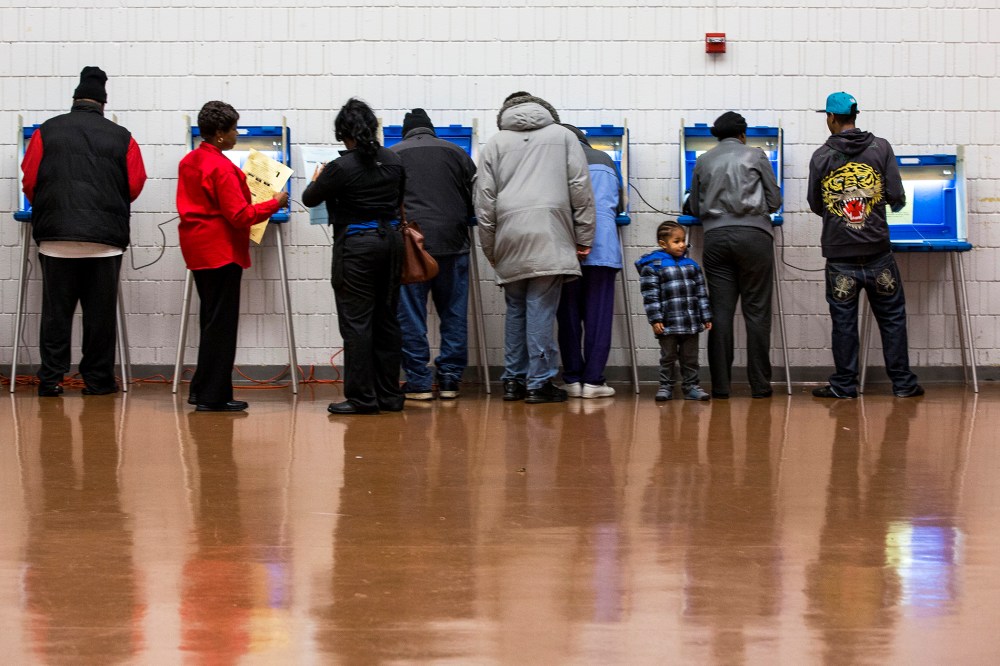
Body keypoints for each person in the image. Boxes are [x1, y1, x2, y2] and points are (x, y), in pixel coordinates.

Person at [20, 66, 147, 397]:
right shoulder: (123, 137)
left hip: (56, 241)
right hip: (104, 243)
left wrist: (51, 205)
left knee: (56, 316)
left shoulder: (47, 131)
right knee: (99, 318)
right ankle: (98, 381)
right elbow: (134, 185)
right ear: (104, 104)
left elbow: (30, 180)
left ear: (75, 100)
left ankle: (50, 380)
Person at [475, 92, 595, 404]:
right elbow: (580, 188)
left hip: (509, 234)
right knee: (541, 307)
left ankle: (513, 381)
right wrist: (584, 237)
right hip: (550, 232)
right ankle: (539, 383)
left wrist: (492, 249)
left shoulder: (494, 143)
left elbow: (484, 201)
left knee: (515, 309)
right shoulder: (564, 136)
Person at [807, 92, 923, 399]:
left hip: (840, 255)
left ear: (830, 118)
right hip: (877, 253)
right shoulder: (880, 148)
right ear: (855, 116)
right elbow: (897, 196)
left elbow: (816, 204)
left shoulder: (821, 156)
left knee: (844, 323)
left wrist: (840, 211)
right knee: (893, 318)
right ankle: (903, 384)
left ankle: (845, 386)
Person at [176, 101, 288, 412]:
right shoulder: (222, 167)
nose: (237, 134)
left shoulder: (189, 162)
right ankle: (213, 397)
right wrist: (274, 202)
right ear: (221, 134)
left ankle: (202, 389)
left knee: (211, 321)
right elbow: (239, 216)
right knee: (222, 326)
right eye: (234, 128)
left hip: (198, 250)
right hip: (221, 251)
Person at [303, 98, 407, 415]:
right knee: (387, 320)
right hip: (391, 242)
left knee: (358, 323)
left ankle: (362, 398)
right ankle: (389, 395)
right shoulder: (394, 160)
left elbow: (310, 198)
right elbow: (399, 199)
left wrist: (319, 178)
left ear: (342, 133)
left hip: (358, 246)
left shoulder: (339, 167)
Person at [688, 111, 782, 399]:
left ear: (717, 135)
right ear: (743, 134)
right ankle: (760, 386)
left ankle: (720, 387)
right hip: (755, 238)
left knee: (721, 313)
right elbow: (775, 200)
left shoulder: (703, 160)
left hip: (716, 239)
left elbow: (694, 206)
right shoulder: (756, 156)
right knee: (756, 314)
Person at [390, 108, 477, 401]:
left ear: (405, 132)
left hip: (413, 245)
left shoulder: (394, 153)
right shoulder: (457, 153)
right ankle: (450, 380)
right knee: (453, 313)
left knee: (411, 316)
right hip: (454, 243)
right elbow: (474, 198)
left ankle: (419, 382)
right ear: (431, 130)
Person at [556, 124, 623, 399]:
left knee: (568, 316)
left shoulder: (557, 161)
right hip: (603, 246)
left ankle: (572, 378)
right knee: (598, 316)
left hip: (567, 246)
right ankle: (594, 381)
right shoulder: (606, 159)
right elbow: (619, 204)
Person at [636, 221, 713, 401]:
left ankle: (691, 386)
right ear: (663, 244)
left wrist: (705, 315)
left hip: (691, 323)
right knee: (668, 357)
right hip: (668, 324)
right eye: (676, 241)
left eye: (683, 240)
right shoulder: (653, 266)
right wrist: (655, 319)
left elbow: (701, 293)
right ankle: (666, 387)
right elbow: (651, 295)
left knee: (690, 358)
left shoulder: (692, 266)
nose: (682, 245)